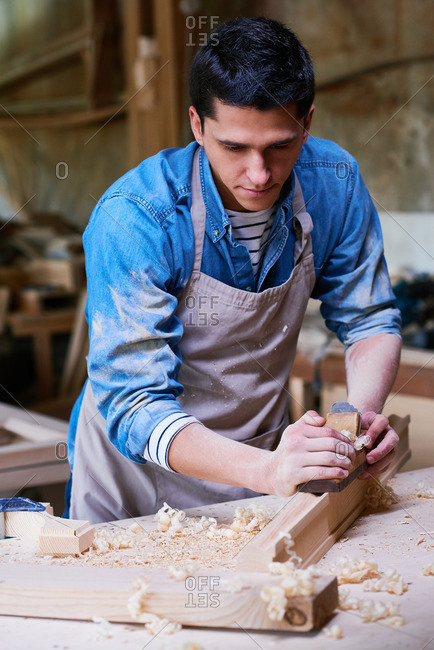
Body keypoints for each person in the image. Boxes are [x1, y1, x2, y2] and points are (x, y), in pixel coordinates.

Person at [66, 17, 401, 523]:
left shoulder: (334, 183)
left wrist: (351, 428)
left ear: (307, 122)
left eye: (280, 145)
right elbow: (134, 406)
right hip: (135, 473)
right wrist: (267, 472)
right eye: (235, 148)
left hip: (265, 457)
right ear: (198, 126)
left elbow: (371, 321)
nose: (259, 174)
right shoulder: (137, 216)